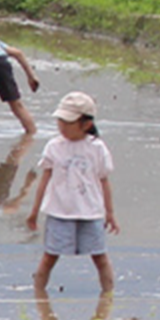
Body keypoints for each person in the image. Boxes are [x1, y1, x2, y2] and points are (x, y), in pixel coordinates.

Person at [26, 91, 119, 293]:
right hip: (60, 212)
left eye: (68, 123)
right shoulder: (54, 146)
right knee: (49, 257)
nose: (62, 127)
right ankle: (38, 296)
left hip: (91, 212)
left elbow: (104, 181)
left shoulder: (97, 148)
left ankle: (108, 297)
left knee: (100, 257)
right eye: (60, 121)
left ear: (86, 124)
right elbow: (45, 180)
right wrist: (34, 212)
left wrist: (110, 213)